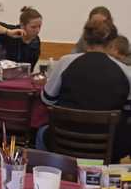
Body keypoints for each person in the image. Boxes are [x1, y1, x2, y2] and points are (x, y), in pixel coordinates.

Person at [38, 20, 131, 161]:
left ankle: (47, 172)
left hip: (64, 141)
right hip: (109, 147)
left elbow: (47, 99)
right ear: (112, 43)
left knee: (40, 133)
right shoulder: (126, 72)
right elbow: (128, 110)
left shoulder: (65, 62)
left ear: (85, 40)